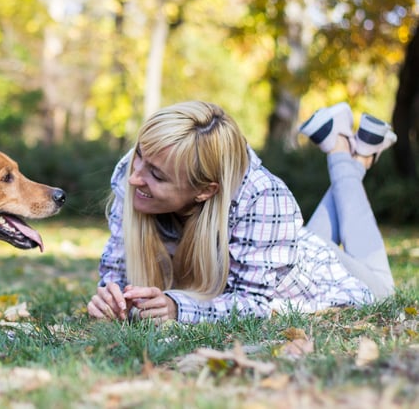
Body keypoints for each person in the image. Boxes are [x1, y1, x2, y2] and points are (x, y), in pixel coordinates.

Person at [87, 100, 397, 324]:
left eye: (157, 176)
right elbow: (116, 272)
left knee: (384, 289)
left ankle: (344, 153)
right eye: (138, 156)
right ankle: (353, 158)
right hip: (275, 247)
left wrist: (176, 307)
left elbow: (252, 303)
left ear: (206, 190)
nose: (134, 177)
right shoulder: (143, 165)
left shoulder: (263, 196)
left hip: (314, 276)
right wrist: (110, 298)